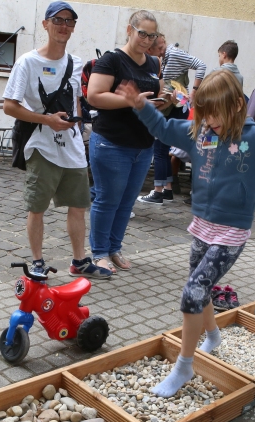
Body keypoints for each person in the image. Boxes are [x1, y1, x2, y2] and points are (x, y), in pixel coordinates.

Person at [114, 69, 255, 397]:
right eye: (204, 112)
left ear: (235, 105)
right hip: (203, 224)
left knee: (192, 292)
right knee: (199, 288)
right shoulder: (200, 131)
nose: (209, 119)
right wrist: (140, 105)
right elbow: (163, 128)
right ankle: (213, 335)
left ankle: (184, 366)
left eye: (215, 112)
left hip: (231, 231)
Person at [3, 1, 112, 280]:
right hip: (42, 146)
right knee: (37, 207)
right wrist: (48, 120)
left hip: (72, 146)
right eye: (58, 20)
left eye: (69, 22)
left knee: (78, 206)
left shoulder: (76, 63)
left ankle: (79, 261)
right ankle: (37, 262)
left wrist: (76, 124)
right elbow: (9, 106)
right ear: (45, 24)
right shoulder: (28, 62)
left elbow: (75, 100)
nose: (64, 26)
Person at [86, 10, 165, 272]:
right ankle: (99, 253)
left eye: (151, 35)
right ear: (129, 30)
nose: (147, 39)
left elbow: (154, 99)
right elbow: (94, 96)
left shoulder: (154, 63)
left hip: (143, 144)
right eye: (142, 33)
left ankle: (114, 248)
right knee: (108, 199)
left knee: (126, 201)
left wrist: (166, 102)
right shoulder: (112, 60)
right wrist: (130, 101)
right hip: (112, 142)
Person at [138, 33, 206, 206]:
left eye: (159, 48)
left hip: (176, 108)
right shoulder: (165, 57)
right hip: (175, 107)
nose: (159, 52)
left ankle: (158, 192)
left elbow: (201, 65)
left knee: (160, 149)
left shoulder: (173, 53)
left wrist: (194, 92)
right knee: (163, 149)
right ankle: (167, 189)